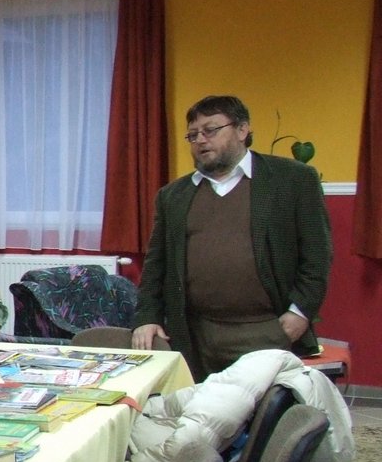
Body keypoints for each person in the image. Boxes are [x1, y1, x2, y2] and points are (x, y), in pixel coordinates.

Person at [132, 95, 332, 378]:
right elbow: (157, 265)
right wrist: (147, 317)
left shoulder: (293, 180)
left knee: (262, 407)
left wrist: (299, 314)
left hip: (268, 330)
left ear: (242, 130)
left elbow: (317, 256)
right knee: (200, 406)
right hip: (196, 336)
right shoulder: (173, 196)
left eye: (210, 130)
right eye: (193, 135)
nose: (200, 140)